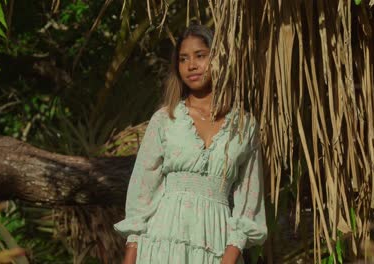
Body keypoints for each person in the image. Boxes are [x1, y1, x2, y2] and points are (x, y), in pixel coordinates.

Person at [114, 24, 267, 264]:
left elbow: (249, 201)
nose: (191, 66)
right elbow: (141, 193)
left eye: (200, 56)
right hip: (162, 243)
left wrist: (229, 256)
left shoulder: (244, 126)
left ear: (219, 59)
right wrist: (131, 253)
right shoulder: (166, 119)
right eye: (183, 59)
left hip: (216, 244)